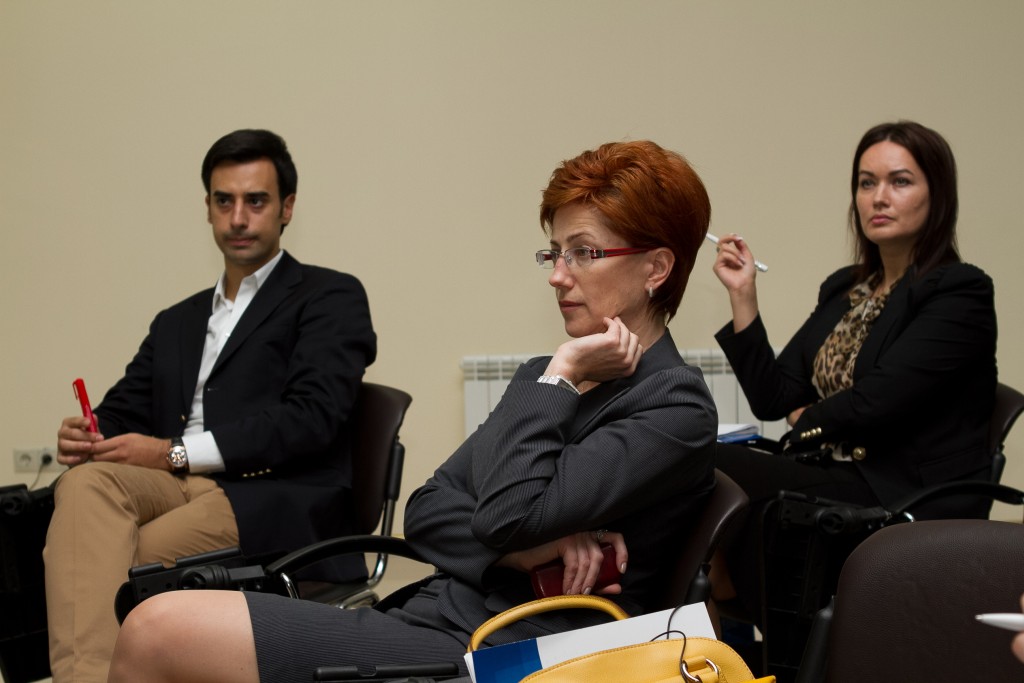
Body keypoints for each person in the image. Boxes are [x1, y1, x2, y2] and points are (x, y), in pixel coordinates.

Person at [105, 139, 718, 682]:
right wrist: (521, 551)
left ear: (656, 268)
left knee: (156, 629)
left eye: (583, 252)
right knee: (156, 621)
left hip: (502, 652)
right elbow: (428, 510)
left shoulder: (671, 404)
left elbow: (505, 512)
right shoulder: (545, 379)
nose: (558, 276)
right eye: (553, 253)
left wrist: (561, 375)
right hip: (435, 618)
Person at [43, 129, 377, 683]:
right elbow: (123, 410)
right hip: (172, 485)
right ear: (207, 208)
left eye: (256, 201)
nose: (238, 218)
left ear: (287, 208)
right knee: (83, 485)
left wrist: (173, 453)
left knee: (114, 558)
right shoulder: (177, 320)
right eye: (225, 201)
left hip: (267, 494)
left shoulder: (328, 296)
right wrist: (88, 433)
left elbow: (311, 418)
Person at [710, 120, 997, 618]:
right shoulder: (846, 289)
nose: (878, 197)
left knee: (708, 464)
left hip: (900, 492)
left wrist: (808, 420)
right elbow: (774, 397)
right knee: (701, 461)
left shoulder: (959, 291)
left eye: (899, 181)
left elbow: (878, 401)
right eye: (867, 183)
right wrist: (743, 296)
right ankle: (728, 610)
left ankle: (727, 603)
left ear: (937, 195)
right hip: (836, 472)